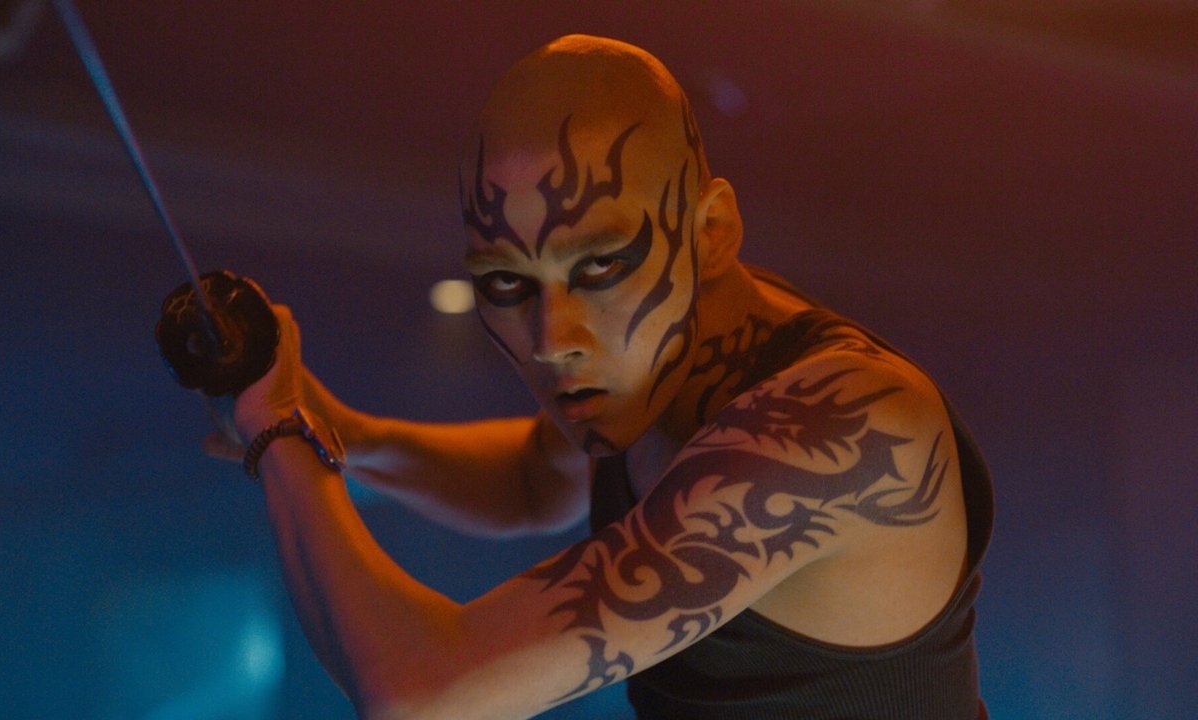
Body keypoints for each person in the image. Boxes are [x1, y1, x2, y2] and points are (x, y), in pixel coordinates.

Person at [218, 34, 992, 719]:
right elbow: (531, 482)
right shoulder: (650, 360)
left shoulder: (850, 422)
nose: (554, 340)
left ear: (712, 231)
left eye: (599, 268)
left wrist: (279, 431)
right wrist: (338, 432)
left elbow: (418, 697)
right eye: (508, 284)